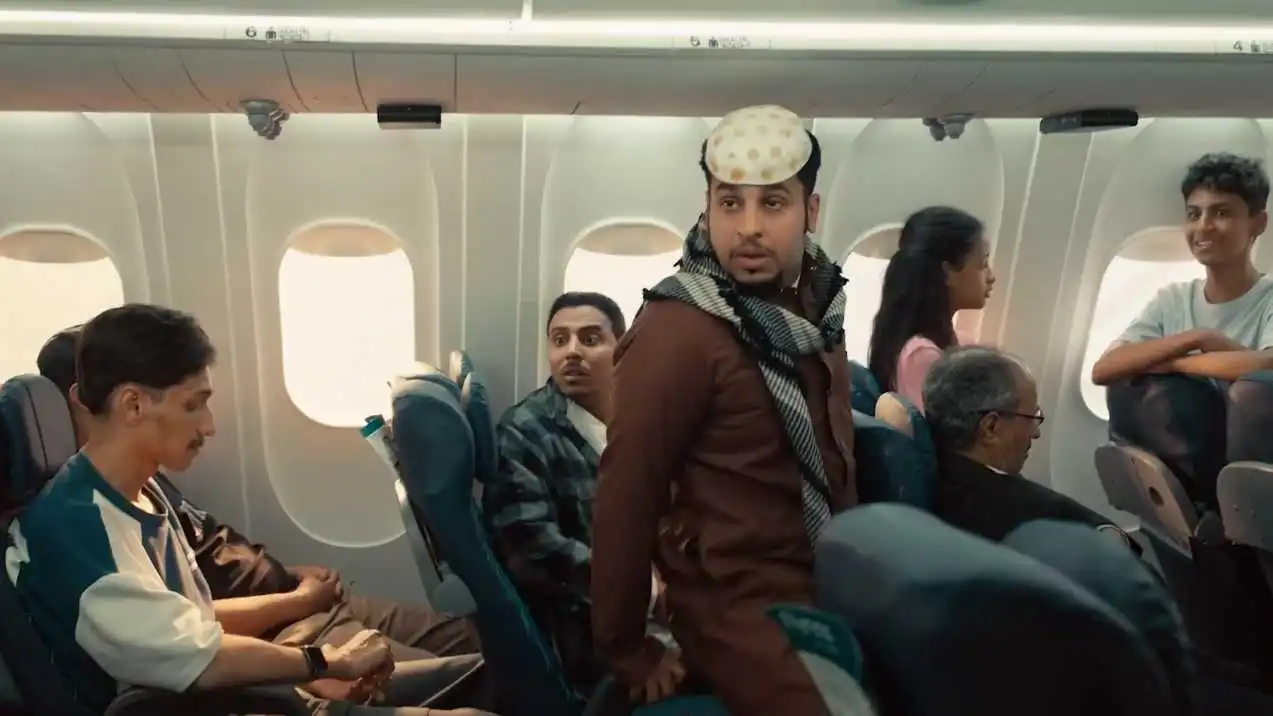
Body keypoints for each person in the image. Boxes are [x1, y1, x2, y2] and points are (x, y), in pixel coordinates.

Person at [7, 304, 496, 716]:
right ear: (133, 405)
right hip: (226, 705)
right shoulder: (81, 535)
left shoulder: (137, 493)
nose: (209, 425)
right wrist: (325, 662)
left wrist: (308, 667)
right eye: (193, 405)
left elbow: (187, 622)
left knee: (492, 675)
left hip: (244, 692)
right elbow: (204, 662)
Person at [591, 104, 857, 716]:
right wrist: (625, 646)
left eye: (774, 203)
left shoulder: (817, 310)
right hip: (735, 599)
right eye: (730, 203)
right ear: (707, 205)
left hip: (826, 571)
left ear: (811, 211)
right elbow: (626, 496)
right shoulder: (678, 332)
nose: (749, 228)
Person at [482, 292, 629, 692]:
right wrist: (642, 591)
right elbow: (534, 548)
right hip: (587, 626)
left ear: (622, 348)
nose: (572, 352)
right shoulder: (525, 433)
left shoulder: (636, 418)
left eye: (590, 339)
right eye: (559, 340)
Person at [1092, 152, 1273, 386]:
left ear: (1258, 224)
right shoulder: (1173, 300)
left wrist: (1175, 365)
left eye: (1221, 213)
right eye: (1194, 214)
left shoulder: (1268, 298)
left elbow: (1268, 365)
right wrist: (1198, 337)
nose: (1203, 226)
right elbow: (1104, 368)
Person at [924, 345, 1134, 547]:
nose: (1036, 433)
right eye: (1031, 418)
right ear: (991, 428)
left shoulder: (934, 472)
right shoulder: (1019, 512)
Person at [867, 206, 995, 411]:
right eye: (983, 264)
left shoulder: (956, 343)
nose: (991, 277)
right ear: (947, 272)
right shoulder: (922, 356)